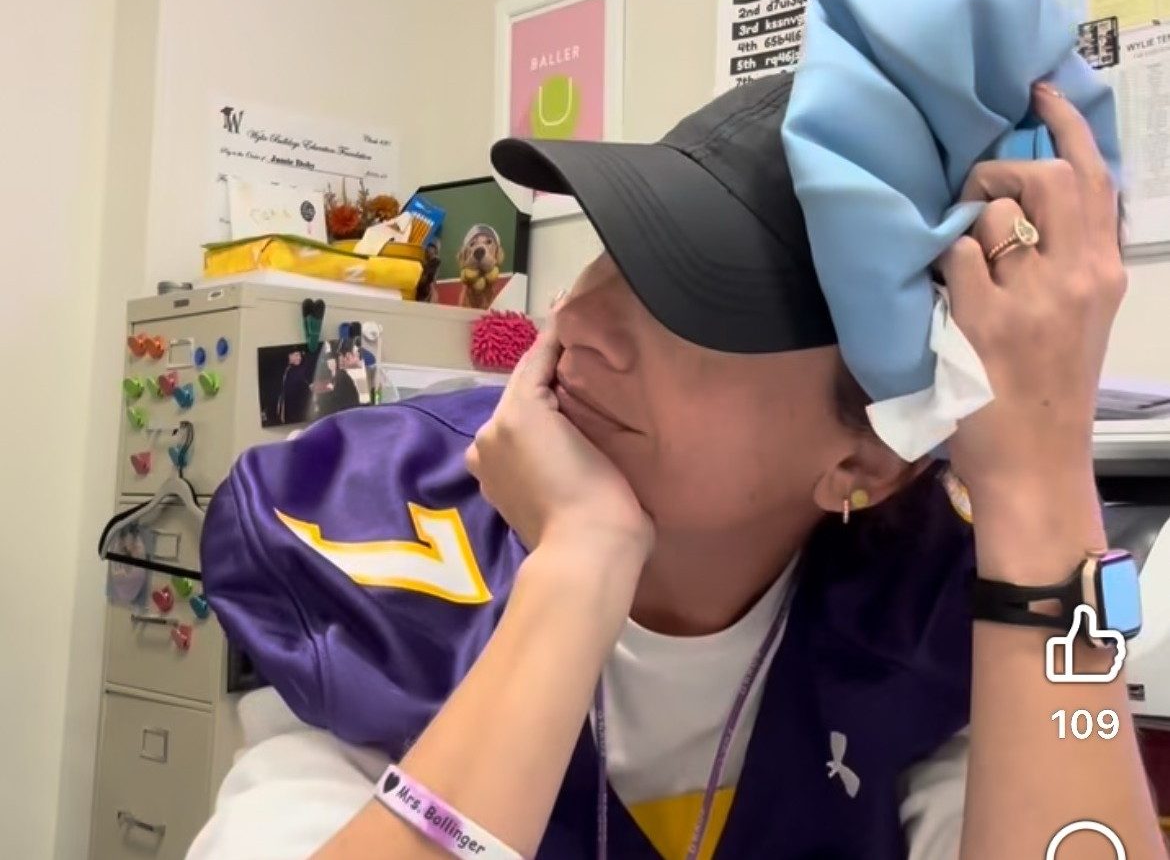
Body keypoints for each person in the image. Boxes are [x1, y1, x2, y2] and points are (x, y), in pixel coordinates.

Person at [189, 68, 1164, 860]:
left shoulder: (925, 618)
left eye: (696, 300)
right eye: (614, 246)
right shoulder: (394, 527)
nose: (580, 318)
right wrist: (578, 566)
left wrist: (1040, 479)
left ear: (866, 452)